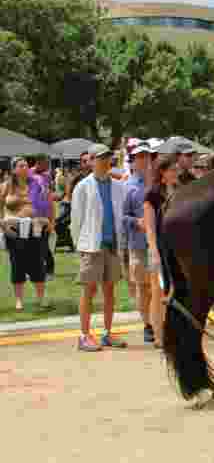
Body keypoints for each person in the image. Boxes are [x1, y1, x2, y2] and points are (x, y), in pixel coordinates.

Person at [71, 144, 128, 352]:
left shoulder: (118, 185)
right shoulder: (83, 186)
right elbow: (75, 220)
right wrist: (81, 246)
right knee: (89, 290)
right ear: (91, 160)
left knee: (110, 289)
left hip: (112, 245)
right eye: (100, 157)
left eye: (107, 157)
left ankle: (107, 333)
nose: (104, 161)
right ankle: (84, 335)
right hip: (91, 246)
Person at [1, 157, 50, 311]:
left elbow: (46, 203)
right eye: (21, 166)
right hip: (13, 230)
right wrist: (2, 224)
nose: (25, 168)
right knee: (17, 264)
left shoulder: (36, 184)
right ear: (13, 169)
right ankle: (19, 300)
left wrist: (49, 221)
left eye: (26, 166)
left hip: (34, 229)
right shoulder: (5, 186)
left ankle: (41, 298)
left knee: (37, 263)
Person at [122, 141, 156, 344]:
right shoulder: (128, 186)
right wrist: (137, 222)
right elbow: (122, 216)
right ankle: (147, 324)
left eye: (148, 157)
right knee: (143, 287)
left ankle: (159, 320)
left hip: (160, 244)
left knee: (159, 287)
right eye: (140, 157)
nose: (145, 161)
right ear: (132, 162)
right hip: (139, 244)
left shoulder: (158, 184)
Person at [144, 154, 178, 348]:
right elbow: (149, 226)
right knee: (157, 292)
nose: (176, 173)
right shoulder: (153, 195)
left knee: (174, 291)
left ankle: (171, 331)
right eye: (172, 170)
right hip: (159, 248)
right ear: (162, 173)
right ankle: (158, 335)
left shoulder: (179, 192)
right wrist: (154, 250)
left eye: (176, 170)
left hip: (176, 249)